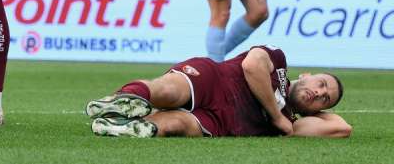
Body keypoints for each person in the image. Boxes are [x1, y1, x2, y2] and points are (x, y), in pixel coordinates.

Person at [86, 45, 351, 138]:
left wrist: (290, 117)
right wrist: (275, 114)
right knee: (167, 91)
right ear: (306, 75)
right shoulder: (278, 62)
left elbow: (342, 128)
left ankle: (120, 126)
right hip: (215, 79)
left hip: (220, 123)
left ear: (320, 111)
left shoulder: (291, 124)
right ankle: (121, 100)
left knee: (174, 124)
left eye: (324, 99)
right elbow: (251, 64)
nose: (318, 92)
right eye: (321, 83)